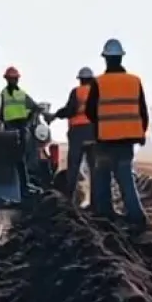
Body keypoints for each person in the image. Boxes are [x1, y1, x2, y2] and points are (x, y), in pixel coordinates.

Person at [84, 38, 149, 231]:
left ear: (106, 59)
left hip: (105, 139)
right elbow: (142, 111)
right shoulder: (134, 81)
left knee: (102, 176)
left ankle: (106, 216)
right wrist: (141, 132)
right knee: (125, 177)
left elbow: (90, 111)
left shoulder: (99, 83)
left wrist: (102, 125)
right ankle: (136, 217)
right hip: (128, 140)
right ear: (121, 58)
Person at [0, 66, 50, 199]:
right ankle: (24, 187)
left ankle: (22, 187)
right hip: (20, 129)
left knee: (15, 159)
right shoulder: (21, 94)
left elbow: (1, 114)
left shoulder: (5, 93)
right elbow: (35, 107)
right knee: (20, 159)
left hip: (11, 130)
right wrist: (28, 119)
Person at [49, 66, 96, 206]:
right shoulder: (97, 93)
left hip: (77, 133)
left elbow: (70, 110)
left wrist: (56, 115)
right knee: (94, 169)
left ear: (81, 80)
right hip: (94, 133)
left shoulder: (77, 92)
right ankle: (95, 203)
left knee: (74, 168)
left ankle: (69, 202)